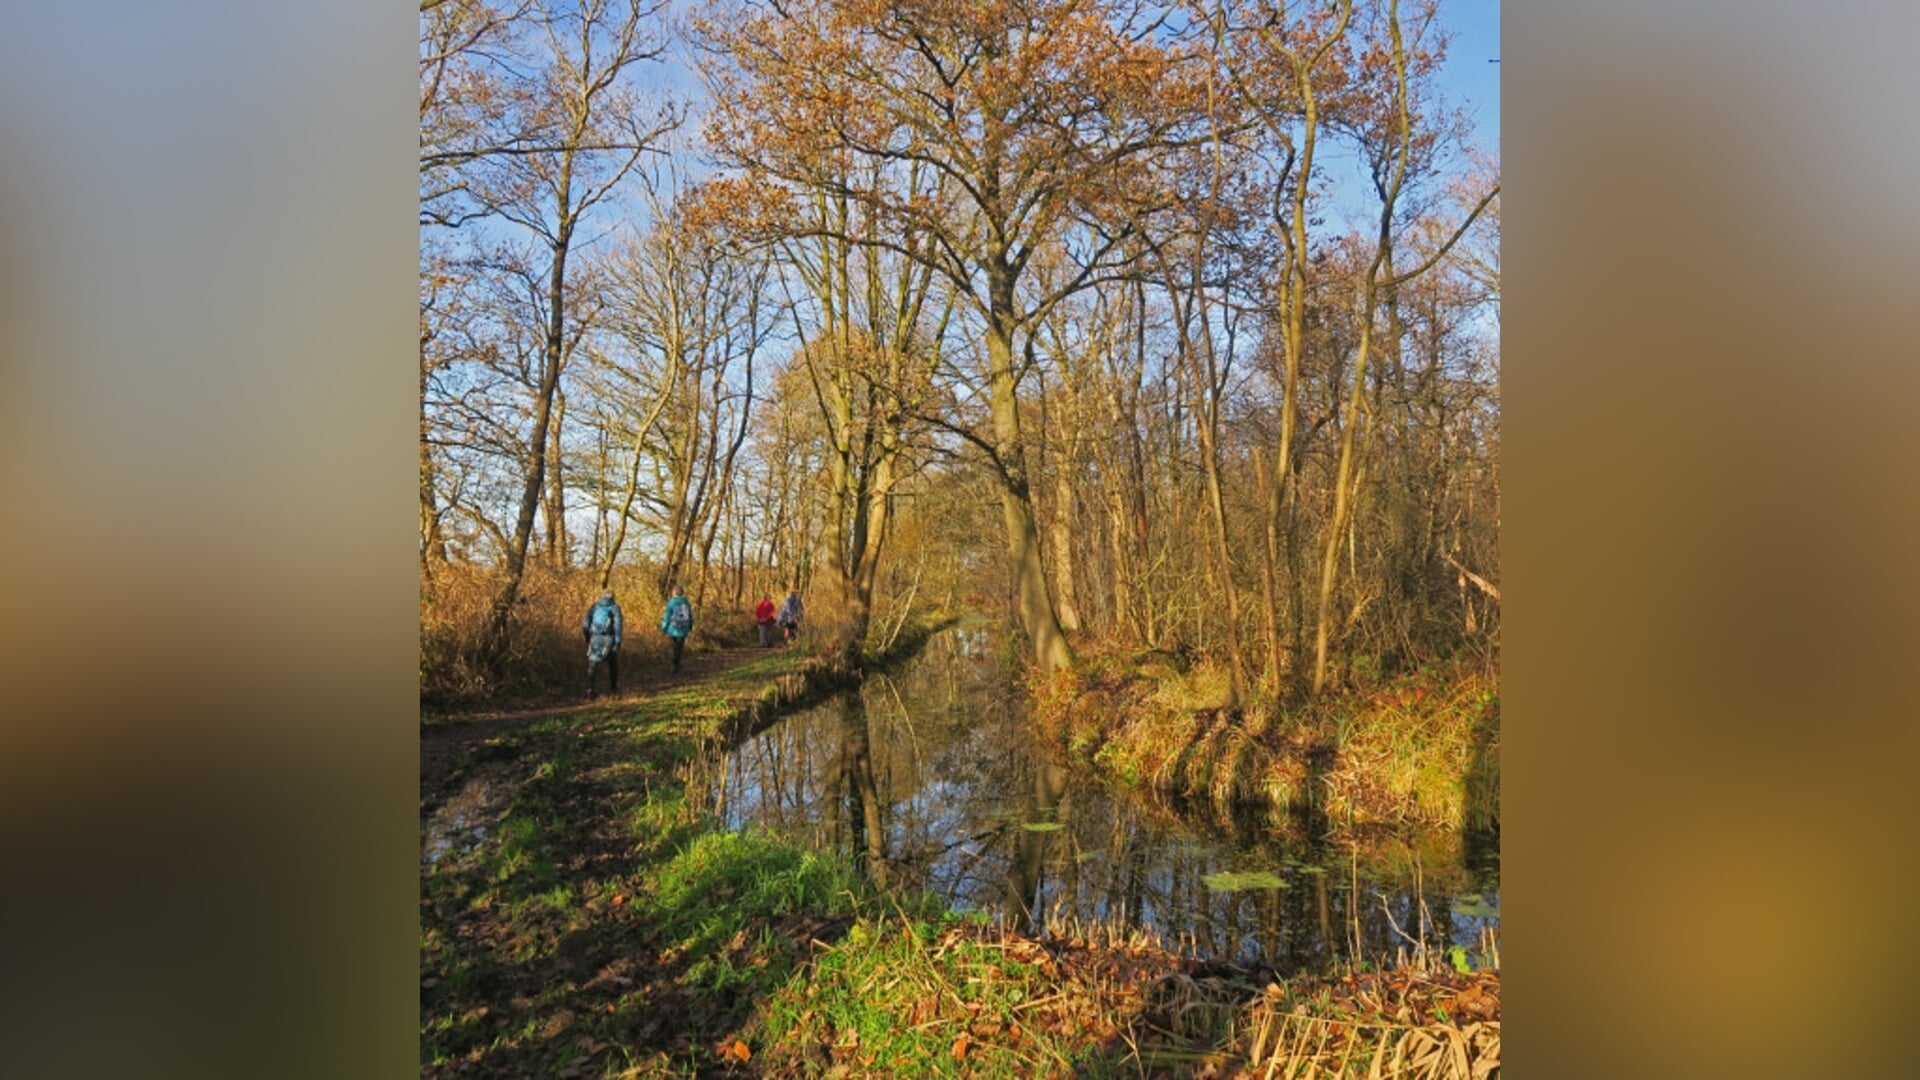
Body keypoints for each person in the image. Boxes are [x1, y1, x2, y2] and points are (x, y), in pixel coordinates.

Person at [581, 588, 623, 700]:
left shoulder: (594, 607)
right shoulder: (615, 608)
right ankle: (613, 691)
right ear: (613, 597)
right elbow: (618, 626)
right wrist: (618, 641)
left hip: (595, 638)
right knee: (612, 664)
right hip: (609, 638)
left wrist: (588, 638)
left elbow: (585, 624)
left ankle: (590, 690)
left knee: (592, 664)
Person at [659, 585, 695, 674]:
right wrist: (690, 626)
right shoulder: (686, 602)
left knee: (675, 646)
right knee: (679, 646)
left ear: (674, 593)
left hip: (673, 628)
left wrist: (663, 628)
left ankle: (674, 664)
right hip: (683, 628)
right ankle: (676, 663)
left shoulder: (671, 603)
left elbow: (667, 616)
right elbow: (690, 616)